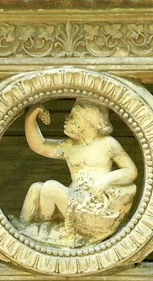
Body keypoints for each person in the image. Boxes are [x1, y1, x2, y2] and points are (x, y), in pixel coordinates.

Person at [16, 99, 137, 247]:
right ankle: (20, 230)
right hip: (73, 200)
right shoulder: (69, 145)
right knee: (35, 188)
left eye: (73, 115)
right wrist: (31, 117)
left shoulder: (107, 144)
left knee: (51, 187)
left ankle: (40, 226)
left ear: (90, 121)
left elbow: (131, 171)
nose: (67, 118)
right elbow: (39, 145)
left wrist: (107, 180)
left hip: (93, 206)